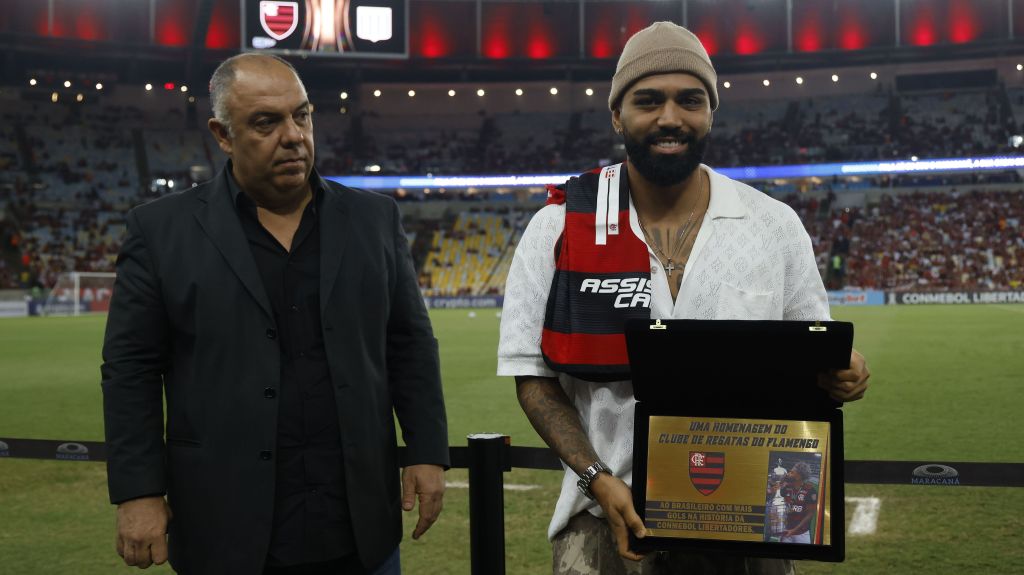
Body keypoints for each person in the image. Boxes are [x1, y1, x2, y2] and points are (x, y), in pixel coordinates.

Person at [497, 22, 870, 575]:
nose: (670, 117)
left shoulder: (774, 225)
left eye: (689, 100)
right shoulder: (557, 226)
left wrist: (840, 373)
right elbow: (533, 377)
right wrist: (597, 478)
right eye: (648, 100)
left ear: (710, 112)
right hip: (604, 517)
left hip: (750, 521)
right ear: (617, 116)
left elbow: (810, 360)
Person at [101, 53, 449, 574]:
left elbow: (409, 343)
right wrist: (139, 493)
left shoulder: (375, 220)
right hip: (225, 526)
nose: (293, 135)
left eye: (302, 115)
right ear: (222, 134)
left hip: (358, 525)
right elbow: (130, 370)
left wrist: (426, 449)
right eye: (266, 122)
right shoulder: (160, 232)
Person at [778, 462, 818, 544]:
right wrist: (783, 480)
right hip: (786, 530)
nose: (788, 474)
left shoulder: (810, 490)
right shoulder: (787, 487)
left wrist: (794, 530)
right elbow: (781, 493)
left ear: (799, 476)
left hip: (801, 534)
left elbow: (810, 514)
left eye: (792, 472)